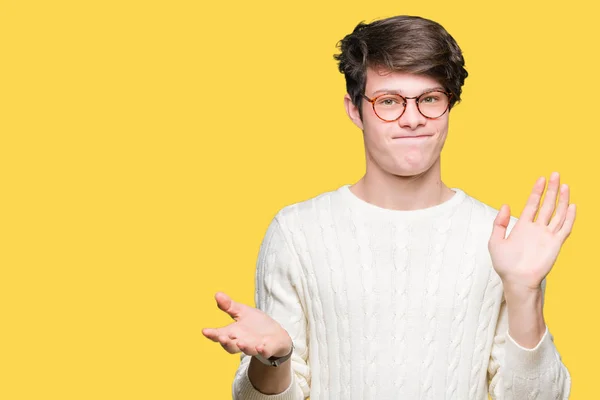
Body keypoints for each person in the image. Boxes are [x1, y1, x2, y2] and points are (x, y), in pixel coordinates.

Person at [202, 15, 575, 399]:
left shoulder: (505, 244)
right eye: (389, 102)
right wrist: (273, 360)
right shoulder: (296, 233)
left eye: (430, 99)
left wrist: (524, 291)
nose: (412, 119)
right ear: (354, 109)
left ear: (450, 104)